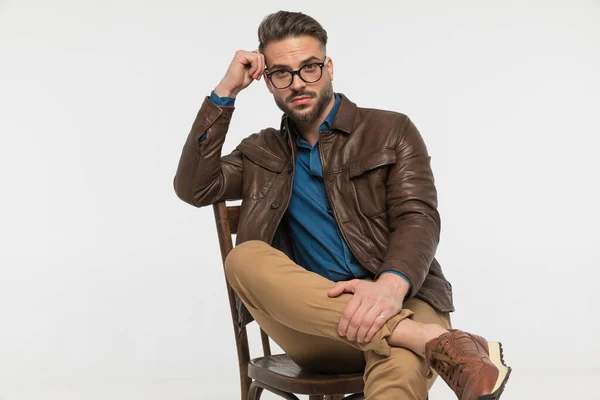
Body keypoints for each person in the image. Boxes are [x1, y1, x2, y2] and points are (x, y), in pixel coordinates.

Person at [174, 10, 511, 400]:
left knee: (398, 362)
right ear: (267, 82)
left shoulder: (391, 130)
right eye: (282, 73)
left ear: (329, 67)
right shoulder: (259, 152)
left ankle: (407, 334)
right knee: (244, 257)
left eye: (310, 68)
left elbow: (417, 218)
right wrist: (225, 92)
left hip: (404, 297)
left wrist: (387, 287)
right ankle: (435, 342)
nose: (298, 83)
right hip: (316, 326)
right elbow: (194, 188)